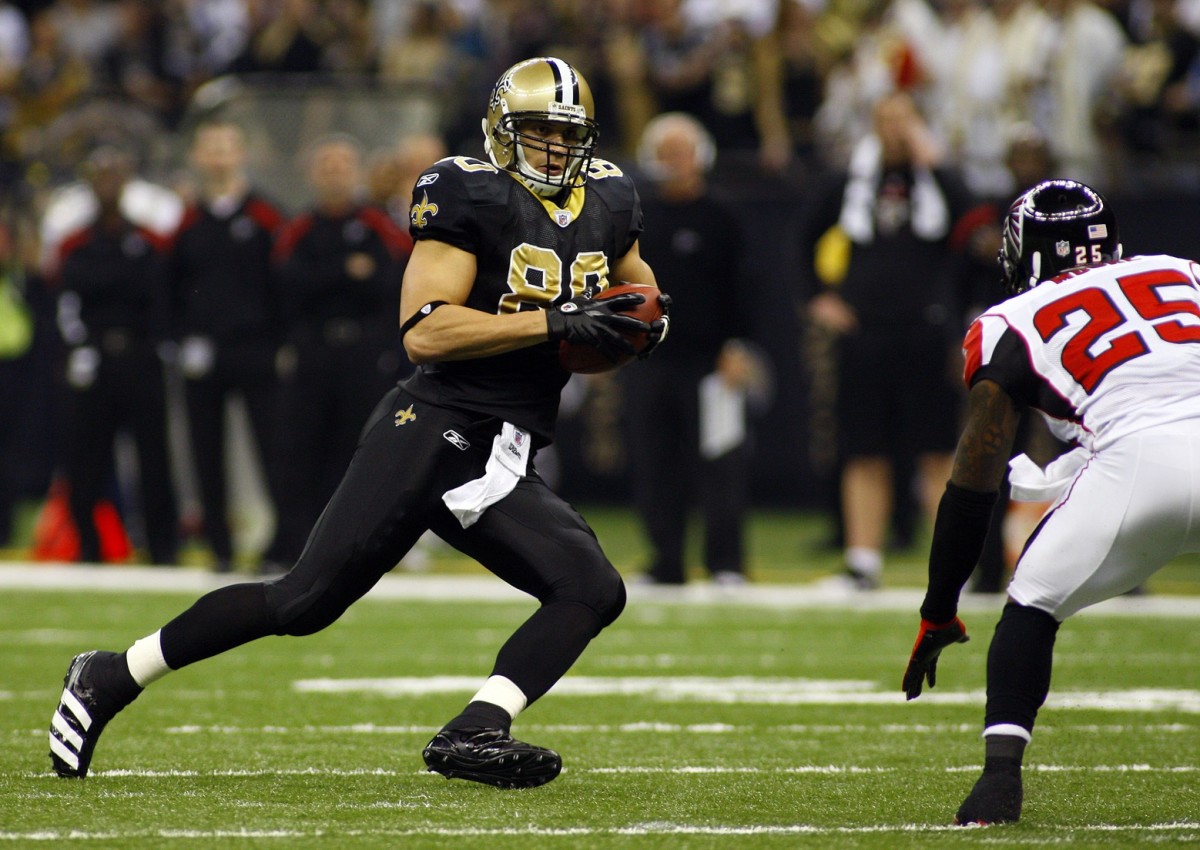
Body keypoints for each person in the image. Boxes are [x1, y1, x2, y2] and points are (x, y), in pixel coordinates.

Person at [47, 56, 667, 790]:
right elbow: (425, 331)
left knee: (592, 587)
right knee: (304, 599)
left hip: (506, 438)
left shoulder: (610, 197)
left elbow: (638, 297)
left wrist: (637, 328)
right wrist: (554, 321)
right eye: (538, 133)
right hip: (438, 421)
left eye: (568, 135)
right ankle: (110, 676)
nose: (555, 150)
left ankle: (476, 729)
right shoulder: (467, 191)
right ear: (501, 130)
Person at [902, 179, 1200, 825]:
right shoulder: (1183, 272)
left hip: (1137, 465)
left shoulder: (1007, 321)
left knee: (1033, 602)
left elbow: (975, 473)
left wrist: (939, 607)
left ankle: (999, 783)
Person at [800, 91, 976, 589]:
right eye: (885, 119)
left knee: (939, 451)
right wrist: (820, 298)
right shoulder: (851, 179)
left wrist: (934, 162)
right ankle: (863, 561)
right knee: (864, 450)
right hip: (865, 331)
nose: (895, 128)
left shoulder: (939, 179)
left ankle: (951, 568)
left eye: (904, 118)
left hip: (926, 328)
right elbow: (803, 238)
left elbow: (973, 226)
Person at [263, 134, 412, 570]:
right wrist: (345, 272)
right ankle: (293, 546)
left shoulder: (376, 225)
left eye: (342, 165)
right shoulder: (297, 229)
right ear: (312, 174)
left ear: (356, 172)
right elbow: (286, 284)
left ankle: (360, 545)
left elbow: (392, 282)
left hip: (364, 353)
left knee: (361, 450)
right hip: (312, 352)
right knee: (299, 450)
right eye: (326, 165)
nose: (334, 174)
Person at [623, 111, 760, 585]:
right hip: (649, 356)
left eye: (681, 152)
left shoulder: (722, 215)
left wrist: (738, 345)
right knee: (655, 462)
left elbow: (746, 286)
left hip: (710, 359)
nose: (674, 162)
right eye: (665, 154)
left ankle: (725, 563)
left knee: (721, 463)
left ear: (700, 156)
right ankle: (667, 561)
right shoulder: (639, 217)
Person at [168, 120, 288, 573]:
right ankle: (219, 546)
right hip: (202, 354)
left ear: (241, 155)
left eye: (226, 147)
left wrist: (281, 342)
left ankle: (282, 543)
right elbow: (169, 288)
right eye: (210, 147)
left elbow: (282, 284)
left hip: (256, 349)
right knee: (204, 451)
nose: (218, 156)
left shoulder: (266, 217)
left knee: (273, 448)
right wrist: (179, 341)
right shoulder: (185, 221)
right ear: (198, 156)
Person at [53, 146, 180, 565]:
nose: (108, 182)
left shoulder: (147, 241)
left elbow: (164, 300)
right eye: (100, 174)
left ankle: (162, 548)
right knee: (86, 457)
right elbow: (64, 303)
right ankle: (88, 546)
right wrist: (77, 350)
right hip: (95, 361)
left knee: (153, 456)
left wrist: (162, 347)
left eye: (115, 174)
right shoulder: (75, 243)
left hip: (141, 359)